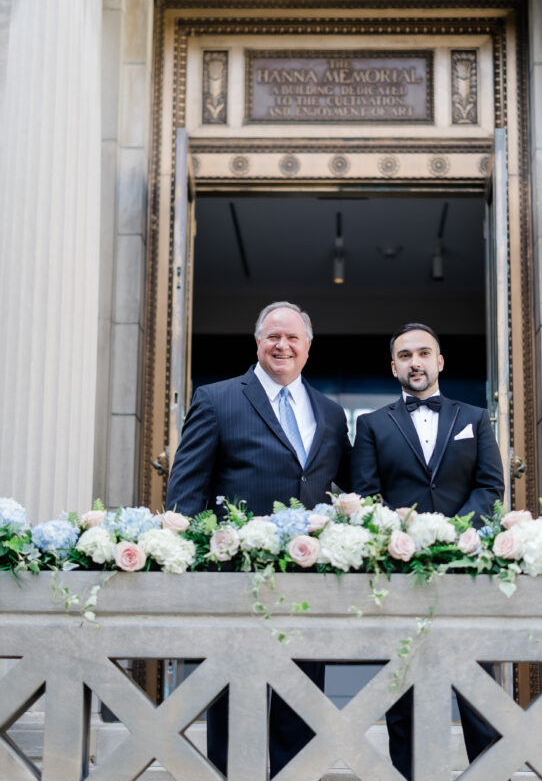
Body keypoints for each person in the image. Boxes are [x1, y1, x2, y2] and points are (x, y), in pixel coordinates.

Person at [166, 300, 351, 778]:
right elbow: (186, 493)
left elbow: (347, 493)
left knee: (301, 700)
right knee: (236, 701)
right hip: (236, 579)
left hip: (309, 580)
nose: (282, 345)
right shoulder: (217, 398)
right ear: (257, 342)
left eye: (292, 338)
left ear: (308, 347)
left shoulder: (331, 414)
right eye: (273, 336)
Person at [350, 322, 505, 780]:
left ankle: (491, 773)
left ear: (439, 362)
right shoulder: (371, 425)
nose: (414, 362)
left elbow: (490, 487)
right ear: (393, 366)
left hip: (466, 568)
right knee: (403, 689)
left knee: (477, 684)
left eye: (423, 353)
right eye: (404, 355)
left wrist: (454, 533)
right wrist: (409, 538)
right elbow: (366, 495)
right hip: (401, 572)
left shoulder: (474, 418)